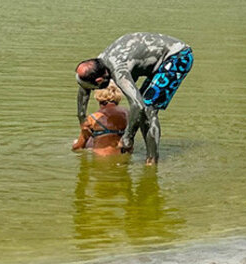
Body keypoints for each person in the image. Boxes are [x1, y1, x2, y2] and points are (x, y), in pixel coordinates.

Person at [75, 32, 194, 165]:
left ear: (99, 80)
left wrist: (128, 137)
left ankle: (152, 161)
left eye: (92, 89)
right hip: (159, 59)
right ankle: (149, 154)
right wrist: (82, 118)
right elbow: (83, 88)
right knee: (143, 106)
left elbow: (138, 105)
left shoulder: (118, 70)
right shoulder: (97, 64)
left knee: (148, 109)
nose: (90, 92)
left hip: (178, 57)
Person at [72, 83, 129, 156]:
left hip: (101, 159)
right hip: (122, 157)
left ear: (98, 95)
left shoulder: (93, 118)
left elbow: (78, 147)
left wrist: (75, 144)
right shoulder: (127, 113)